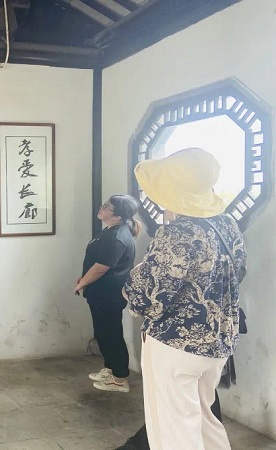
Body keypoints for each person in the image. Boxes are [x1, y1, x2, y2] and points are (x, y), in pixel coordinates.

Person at [124, 148, 247, 450]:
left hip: (175, 344)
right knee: (205, 418)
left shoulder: (177, 233)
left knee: (174, 431)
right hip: (218, 341)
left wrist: (134, 275)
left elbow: (146, 297)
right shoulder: (226, 224)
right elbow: (239, 271)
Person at [76, 195, 140, 393]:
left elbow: (101, 268)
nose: (101, 208)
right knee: (103, 332)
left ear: (118, 216)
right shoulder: (111, 231)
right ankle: (111, 369)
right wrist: (83, 278)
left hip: (108, 293)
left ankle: (120, 379)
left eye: (106, 207)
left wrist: (82, 283)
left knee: (111, 334)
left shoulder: (117, 236)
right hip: (100, 292)